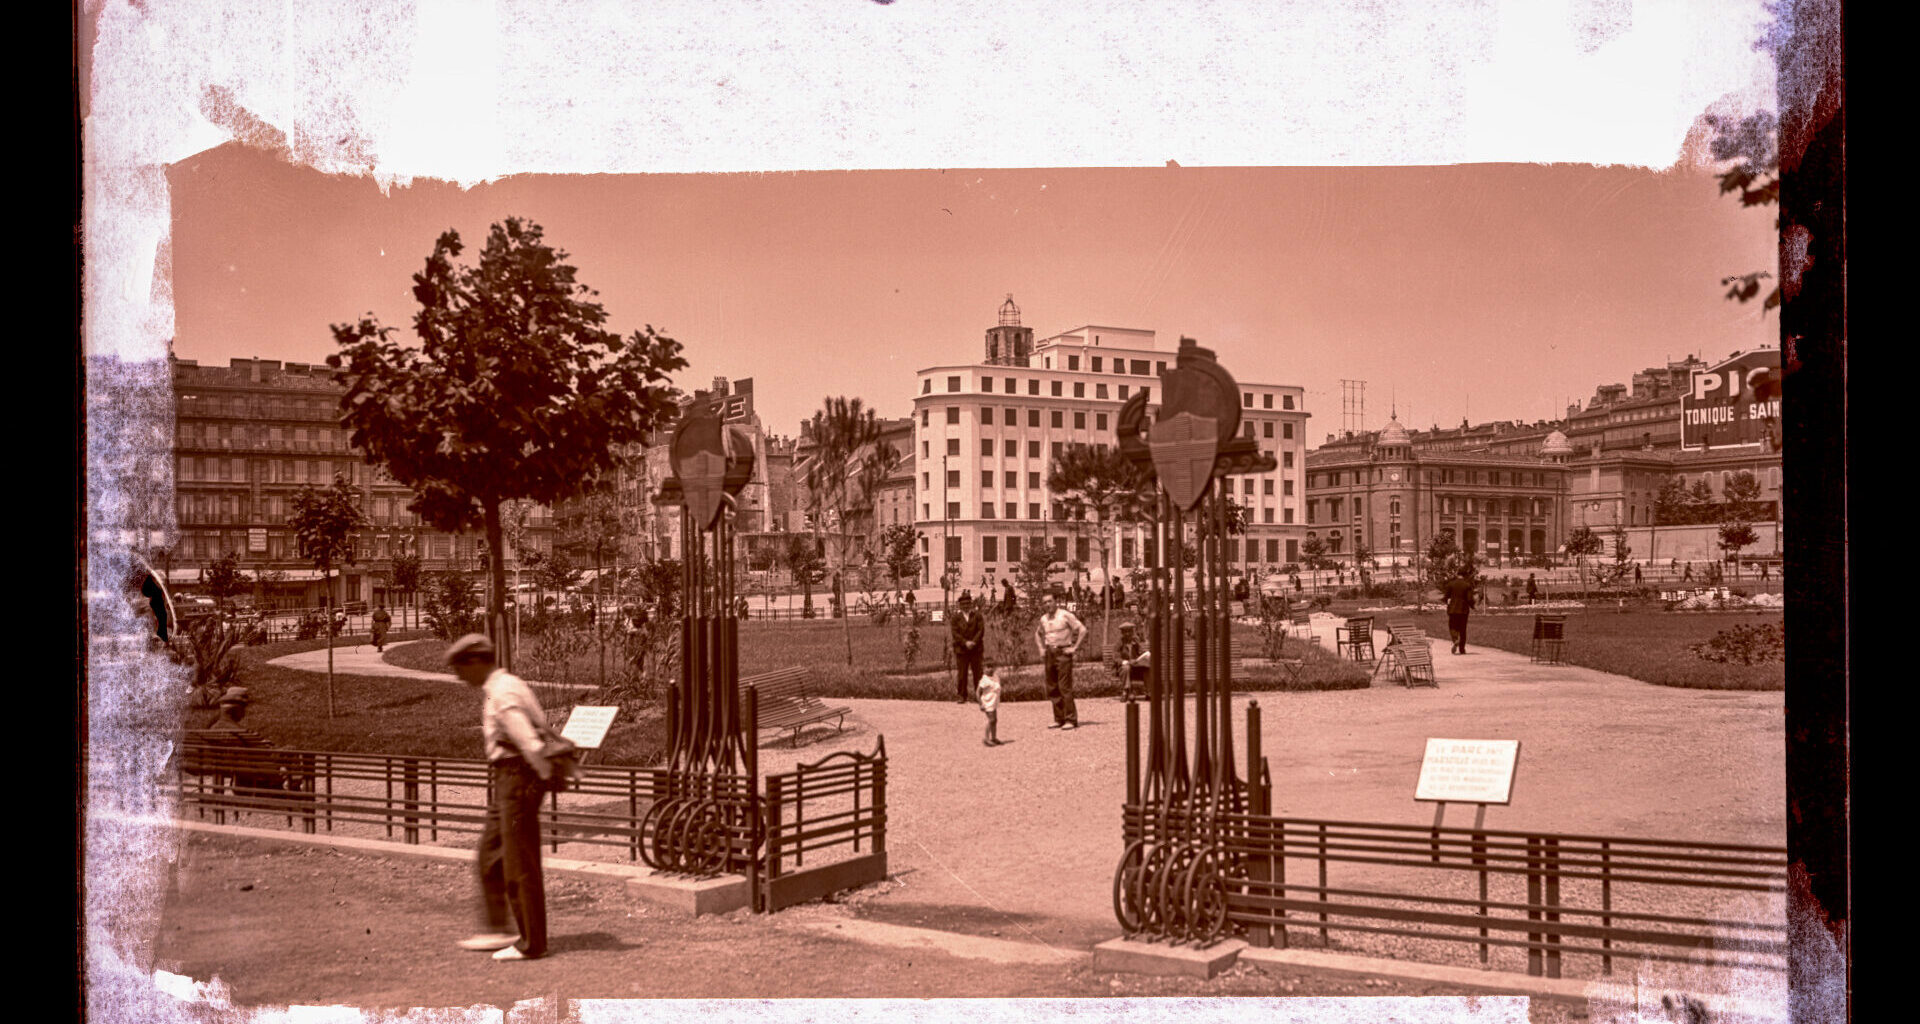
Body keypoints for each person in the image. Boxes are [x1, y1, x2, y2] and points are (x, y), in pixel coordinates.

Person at [448, 633, 553, 961]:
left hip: (517, 776)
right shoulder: (508, 684)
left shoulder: (502, 692)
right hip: (511, 778)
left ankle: (531, 943)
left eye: (461, 668)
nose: (458, 677)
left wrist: (542, 778)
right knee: (490, 854)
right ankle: (498, 928)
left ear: (477, 661)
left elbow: (530, 741)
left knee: (519, 861)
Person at [1034, 591, 1087, 730]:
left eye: (1050, 601)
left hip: (1063, 653)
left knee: (1064, 687)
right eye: (1045, 602)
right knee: (1052, 687)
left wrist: (1074, 647)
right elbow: (1038, 634)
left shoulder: (1065, 615)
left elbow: (1082, 630)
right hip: (1050, 653)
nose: (1047, 604)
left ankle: (1071, 719)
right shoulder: (1044, 619)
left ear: (1055, 601)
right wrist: (1041, 648)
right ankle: (1059, 718)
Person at [950, 591, 985, 703]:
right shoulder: (956, 618)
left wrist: (973, 642)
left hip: (976, 649)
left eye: (968, 604)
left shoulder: (977, 615)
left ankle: (979, 696)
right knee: (962, 674)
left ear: (971, 604)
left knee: (978, 673)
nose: (966, 606)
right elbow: (955, 633)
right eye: (963, 604)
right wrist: (965, 643)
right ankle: (962, 695)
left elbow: (981, 630)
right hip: (962, 649)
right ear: (960, 605)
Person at [1442, 570, 1476, 655]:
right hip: (1463, 610)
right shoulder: (1467, 585)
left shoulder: (1451, 584)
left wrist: (1447, 603)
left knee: (1452, 626)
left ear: (1457, 575)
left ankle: (1455, 639)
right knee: (1463, 629)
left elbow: (1445, 597)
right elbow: (1469, 599)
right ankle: (1462, 649)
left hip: (1453, 610)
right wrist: (1473, 606)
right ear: (1465, 575)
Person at [1113, 621, 1148, 702]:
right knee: (1126, 668)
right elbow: (1115, 657)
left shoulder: (1135, 642)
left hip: (1136, 668)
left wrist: (1144, 656)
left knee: (1148, 669)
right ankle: (1126, 690)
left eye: (1130, 631)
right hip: (1123, 669)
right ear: (1122, 633)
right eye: (1126, 632)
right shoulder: (1119, 643)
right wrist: (1123, 661)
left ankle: (1149, 692)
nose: (1128, 634)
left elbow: (1141, 653)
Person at [977, 660, 1003, 747]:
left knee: (995, 720)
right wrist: (980, 704)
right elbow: (978, 692)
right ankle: (986, 738)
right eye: (988, 667)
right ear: (983, 668)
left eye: (992, 666)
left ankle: (994, 737)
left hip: (994, 702)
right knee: (991, 720)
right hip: (987, 703)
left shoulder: (995, 677)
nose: (990, 669)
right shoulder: (984, 680)